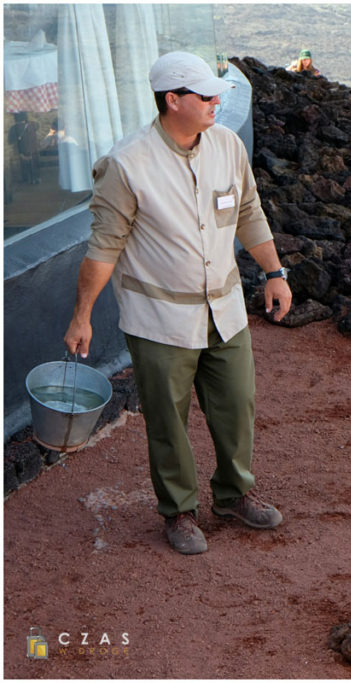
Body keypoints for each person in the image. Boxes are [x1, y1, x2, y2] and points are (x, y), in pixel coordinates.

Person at [63, 51, 293, 555]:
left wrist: (275, 273)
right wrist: (82, 316)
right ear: (173, 101)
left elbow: (248, 212)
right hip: (159, 321)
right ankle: (179, 512)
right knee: (168, 420)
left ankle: (233, 496)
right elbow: (103, 249)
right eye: (206, 95)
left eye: (216, 94)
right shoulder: (126, 165)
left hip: (226, 310)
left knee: (236, 407)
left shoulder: (227, 146)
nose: (216, 101)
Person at [9, 112, 40, 184]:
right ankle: (36, 179)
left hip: (23, 151)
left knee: (25, 167)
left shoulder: (14, 128)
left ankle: (28, 180)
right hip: (34, 150)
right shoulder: (33, 124)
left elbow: (11, 141)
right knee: (34, 164)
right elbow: (38, 125)